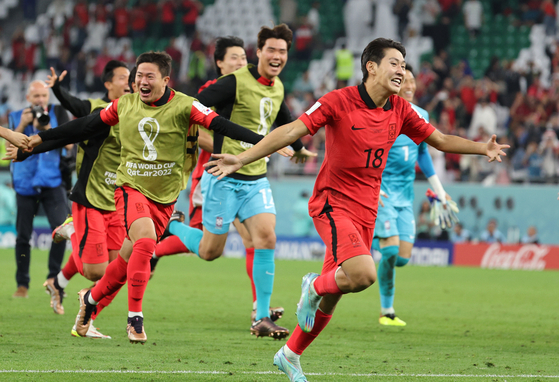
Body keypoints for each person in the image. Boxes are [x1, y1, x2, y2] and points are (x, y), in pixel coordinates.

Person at [204, 38, 508, 381]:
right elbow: (290, 129)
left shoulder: (400, 109)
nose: (401, 70)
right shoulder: (338, 101)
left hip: (366, 211)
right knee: (363, 275)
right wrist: (242, 157)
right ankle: (313, 286)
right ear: (371, 67)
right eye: (394, 63)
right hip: (333, 203)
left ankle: (290, 354)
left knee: (340, 290)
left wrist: (482, 148)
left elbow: (439, 140)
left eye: (404, 65)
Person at [26, 51, 272, 344]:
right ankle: (135, 319)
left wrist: (265, 142)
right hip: (129, 188)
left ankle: (90, 299)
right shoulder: (123, 105)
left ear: (166, 80)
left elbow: (221, 125)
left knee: (124, 262)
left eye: (149, 76)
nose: (141, 81)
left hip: (165, 197)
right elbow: (82, 126)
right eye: (138, 75)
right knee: (144, 242)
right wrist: (37, 142)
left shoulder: (185, 105)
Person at [159, 25, 316, 340]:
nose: (276, 56)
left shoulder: (277, 87)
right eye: (270, 50)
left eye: (282, 51)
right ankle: (172, 226)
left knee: (266, 238)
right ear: (258, 52)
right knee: (209, 251)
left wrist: (299, 149)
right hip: (224, 178)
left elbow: (285, 120)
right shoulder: (232, 82)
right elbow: (191, 105)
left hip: (256, 179)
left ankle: (261, 317)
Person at [9, 61, 132, 338]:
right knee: (95, 272)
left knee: (116, 272)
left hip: (118, 200)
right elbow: (67, 131)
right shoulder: (99, 111)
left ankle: (80, 312)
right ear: (108, 83)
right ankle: (69, 238)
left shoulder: (139, 116)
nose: (130, 82)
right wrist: (29, 146)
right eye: (123, 77)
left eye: (131, 78)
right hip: (89, 195)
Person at [372, 64, 454, 327]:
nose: (408, 85)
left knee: (402, 258)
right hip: (381, 193)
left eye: (412, 82)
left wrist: (439, 190)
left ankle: (371, 243)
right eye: (403, 80)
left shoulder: (421, 114)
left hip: (405, 197)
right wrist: (371, 184)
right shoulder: (381, 112)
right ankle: (387, 311)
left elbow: (422, 153)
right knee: (392, 250)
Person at [8, 80, 71, 298]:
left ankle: (53, 278)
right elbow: (8, 149)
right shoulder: (16, 116)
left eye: (44, 96)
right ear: (28, 98)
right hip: (25, 185)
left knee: (60, 231)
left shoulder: (57, 113)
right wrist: (22, 125)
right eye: (36, 97)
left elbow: (70, 144)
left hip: (52, 182)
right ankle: (22, 284)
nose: (40, 100)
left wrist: (47, 130)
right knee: (23, 236)